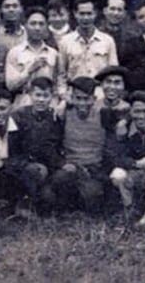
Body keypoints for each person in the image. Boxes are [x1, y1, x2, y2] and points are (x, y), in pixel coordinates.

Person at [42, 77, 112, 213]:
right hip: (70, 168)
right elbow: (49, 144)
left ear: (94, 98)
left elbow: (112, 144)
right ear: (72, 98)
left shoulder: (104, 114)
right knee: (48, 196)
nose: (82, 103)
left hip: (92, 169)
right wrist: (61, 163)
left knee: (93, 197)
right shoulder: (64, 115)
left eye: (86, 99)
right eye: (78, 98)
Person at [0, 89, 47, 217]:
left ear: (11, 108)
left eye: (3, 108)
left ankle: (24, 201)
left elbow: (28, 154)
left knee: (34, 169)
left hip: (14, 170)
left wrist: (3, 163)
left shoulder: (22, 126)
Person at [11, 77, 66, 211]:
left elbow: (57, 145)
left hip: (48, 165)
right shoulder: (19, 115)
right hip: (25, 165)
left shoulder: (55, 117)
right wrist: (26, 163)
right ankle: (24, 200)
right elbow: (13, 148)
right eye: (37, 95)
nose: (41, 100)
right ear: (30, 95)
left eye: (45, 96)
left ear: (52, 97)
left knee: (50, 199)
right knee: (35, 172)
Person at [108, 91, 145, 209]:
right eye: (137, 111)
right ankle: (129, 206)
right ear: (130, 112)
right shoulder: (123, 128)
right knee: (117, 175)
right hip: (133, 171)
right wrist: (136, 164)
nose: (141, 116)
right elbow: (115, 157)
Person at [56, 0, 119, 98]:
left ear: (95, 14)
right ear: (75, 14)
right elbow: (61, 75)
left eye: (89, 13)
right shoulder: (65, 42)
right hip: (75, 94)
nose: (85, 18)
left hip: (100, 93)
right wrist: (63, 96)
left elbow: (113, 72)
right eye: (82, 13)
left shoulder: (107, 41)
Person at [6, 6, 59, 109]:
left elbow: (57, 83)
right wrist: (29, 70)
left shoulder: (53, 53)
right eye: (33, 23)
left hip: (48, 103)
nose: (37, 28)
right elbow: (10, 85)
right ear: (25, 25)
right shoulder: (15, 52)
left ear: (47, 26)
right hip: (23, 101)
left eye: (41, 24)